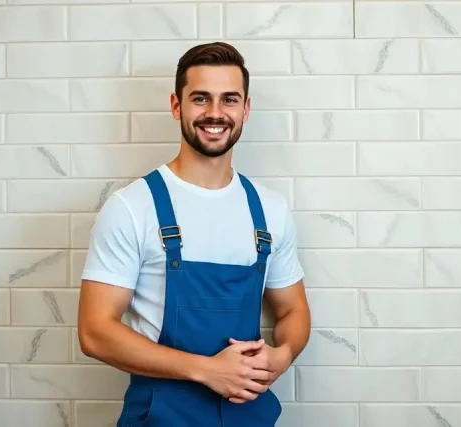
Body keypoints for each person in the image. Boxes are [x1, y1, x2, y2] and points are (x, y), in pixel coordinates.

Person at [76, 42, 311, 427]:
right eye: (200, 98)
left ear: (245, 110)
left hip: (248, 414)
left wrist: (282, 356)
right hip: (160, 416)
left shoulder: (269, 210)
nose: (215, 113)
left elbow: (293, 309)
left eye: (229, 99)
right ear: (176, 105)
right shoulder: (132, 207)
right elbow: (95, 331)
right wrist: (207, 370)